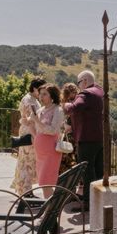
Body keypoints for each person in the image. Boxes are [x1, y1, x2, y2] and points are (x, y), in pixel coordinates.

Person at [63, 70, 104, 213]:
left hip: (86, 139)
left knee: (86, 171)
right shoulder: (100, 91)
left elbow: (74, 108)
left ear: (85, 81)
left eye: (79, 83)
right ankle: (100, 200)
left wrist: (66, 104)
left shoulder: (86, 94)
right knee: (98, 171)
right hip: (99, 138)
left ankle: (88, 203)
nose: (78, 86)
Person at [28, 83, 64, 199]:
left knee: (46, 181)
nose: (41, 97)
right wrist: (27, 121)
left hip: (51, 150)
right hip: (40, 151)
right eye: (40, 94)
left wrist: (37, 121)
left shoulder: (58, 110)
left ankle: (50, 209)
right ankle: (51, 207)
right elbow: (35, 127)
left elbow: (53, 130)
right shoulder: (41, 109)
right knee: (44, 182)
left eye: (44, 94)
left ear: (52, 95)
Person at [11, 77, 45, 194]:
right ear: (35, 88)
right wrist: (35, 136)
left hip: (30, 131)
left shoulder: (32, 99)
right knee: (27, 162)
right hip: (29, 133)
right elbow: (31, 119)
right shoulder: (29, 100)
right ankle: (26, 191)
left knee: (28, 161)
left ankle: (26, 190)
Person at [58, 82, 79, 174]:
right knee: (73, 157)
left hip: (68, 134)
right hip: (72, 134)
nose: (74, 94)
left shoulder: (64, 104)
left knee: (67, 157)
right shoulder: (76, 103)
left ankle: (66, 179)